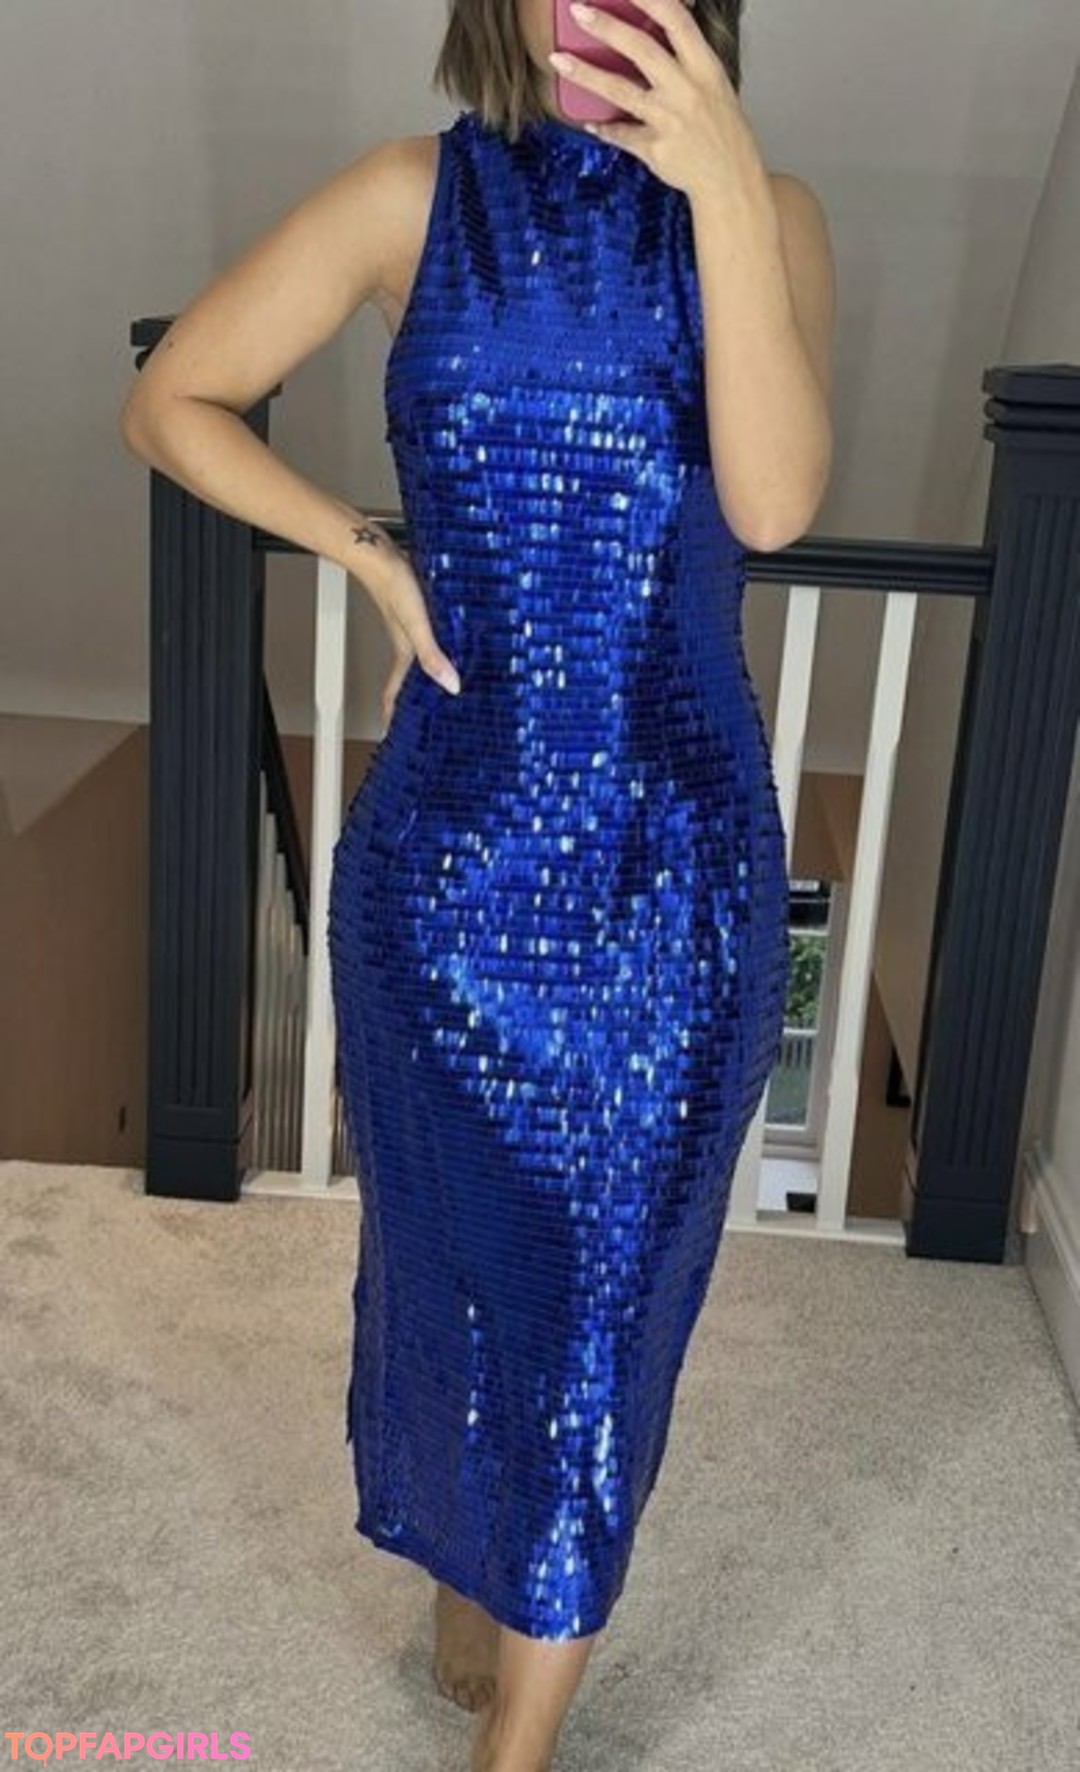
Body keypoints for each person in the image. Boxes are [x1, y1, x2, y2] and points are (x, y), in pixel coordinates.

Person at [120, 0, 834, 1765]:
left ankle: (520, 1743)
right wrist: (368, 552)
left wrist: (720, 183)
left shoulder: (772, 212)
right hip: (443, 879)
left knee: (606, 1320)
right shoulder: (405, 198)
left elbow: (772, 505)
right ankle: (476, 1558)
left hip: (675, 887)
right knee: (454, 1277)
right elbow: (170, 399)